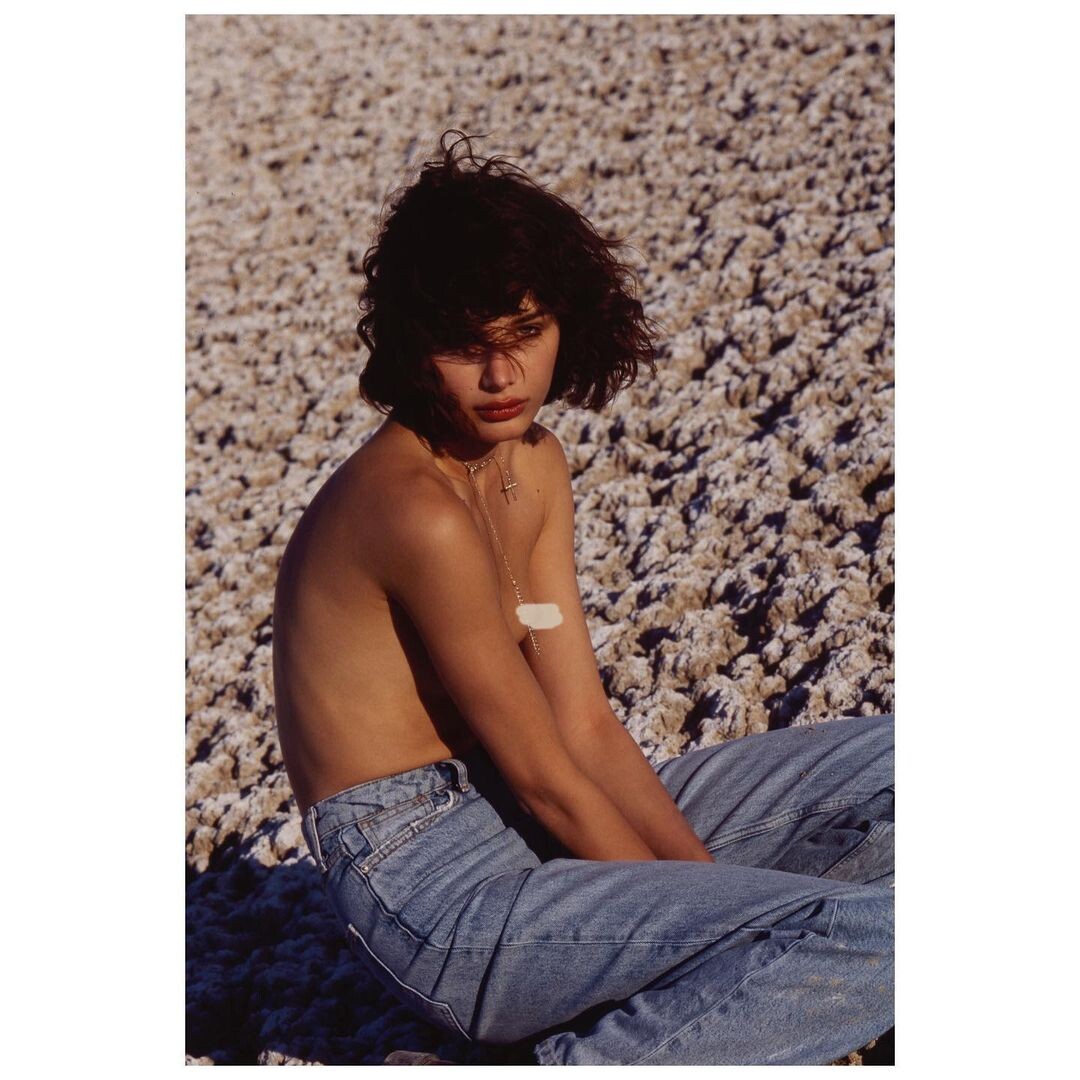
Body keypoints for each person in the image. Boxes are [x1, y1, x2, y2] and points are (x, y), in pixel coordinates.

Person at [271, 129, 894, 1065]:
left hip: (540, 803)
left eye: (525, 335)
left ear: (567, 321)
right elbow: (544, 777)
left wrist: (714, 898)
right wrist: (724, 917)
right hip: (434, 884)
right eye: (467, 347)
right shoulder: (412, 509)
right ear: (412, 346)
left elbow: (585, 726)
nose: (502, 377)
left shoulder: (533, 465)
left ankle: (751, 983)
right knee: (886, 936)